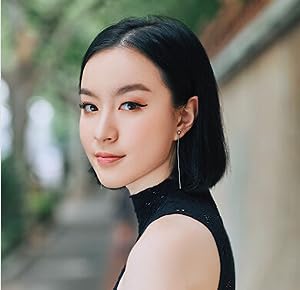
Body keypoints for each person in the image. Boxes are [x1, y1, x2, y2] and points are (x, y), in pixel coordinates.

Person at [78, 15, 235, 290]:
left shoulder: (168, 243)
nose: (102, 132)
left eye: (130, 105)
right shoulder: (181, 223)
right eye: (90, 106)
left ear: (183, 117)